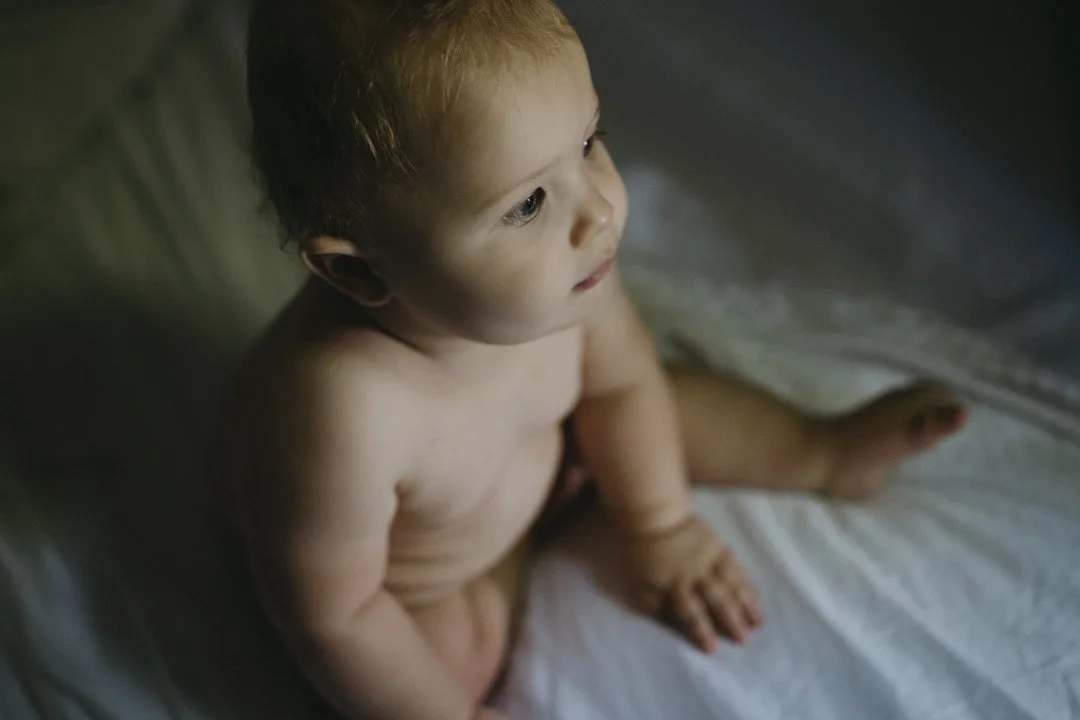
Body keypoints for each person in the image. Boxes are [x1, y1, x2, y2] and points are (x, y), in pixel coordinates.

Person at [220, 1, 967, 718]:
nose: (598, 212)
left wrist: (659, 525)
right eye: (526, 205)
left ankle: (820, 451)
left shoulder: (560, 279)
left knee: (664, 403)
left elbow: (624, 385)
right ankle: (495, 606)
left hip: (554, 459)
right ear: (362, 274)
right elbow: (335, 613)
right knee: (438, 661)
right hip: (434, 573)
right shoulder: (339, 409)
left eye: (588, 144)